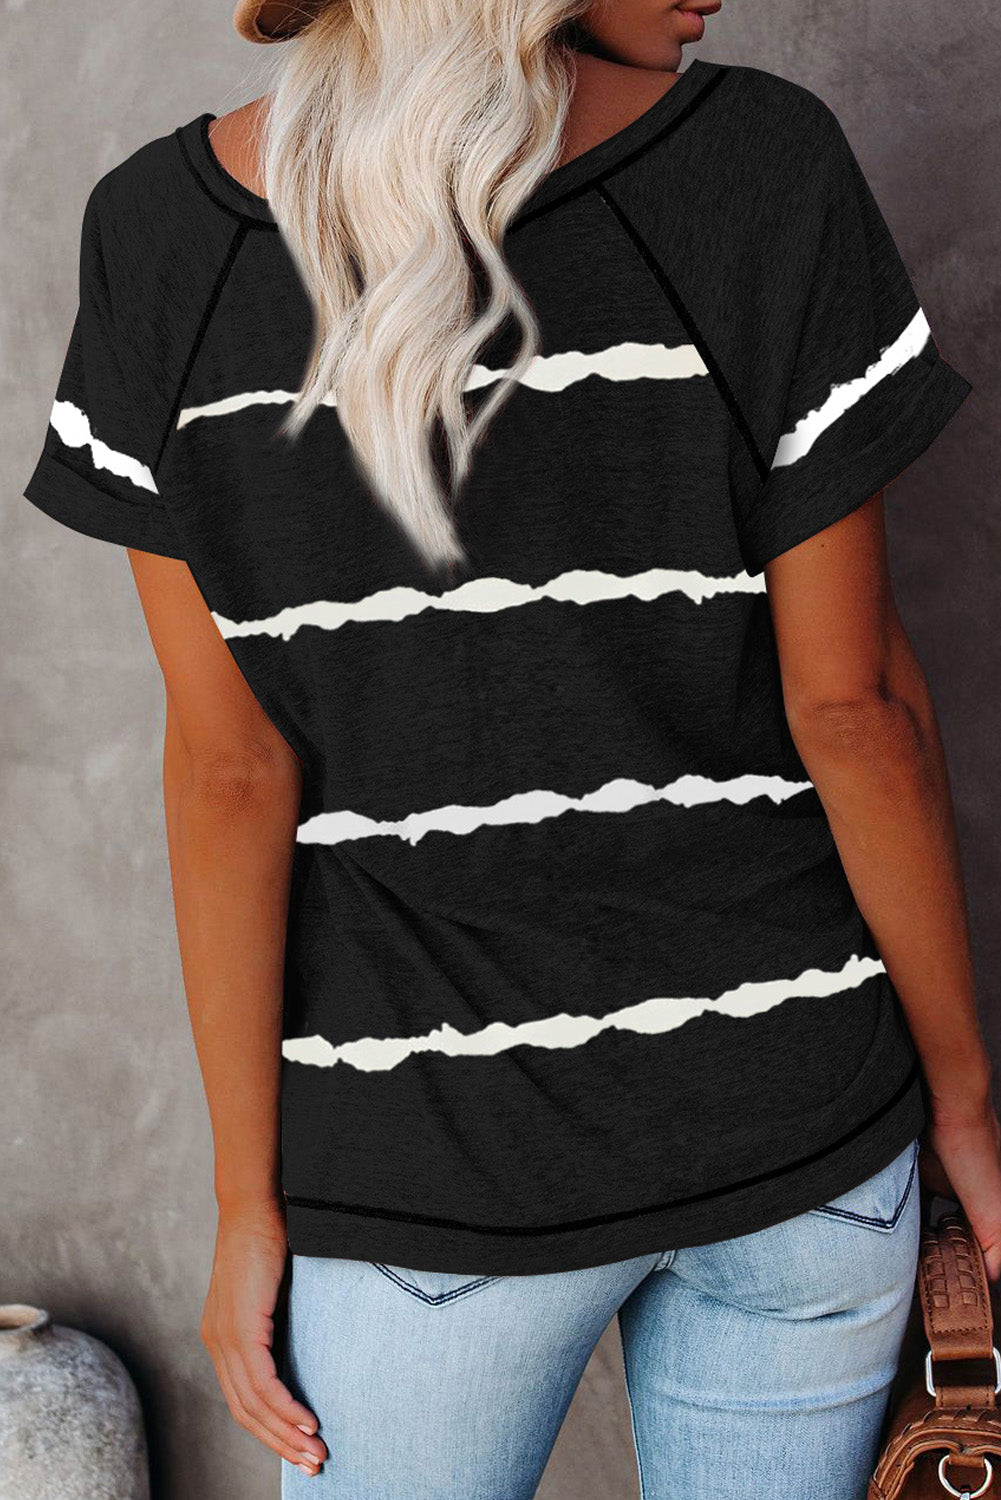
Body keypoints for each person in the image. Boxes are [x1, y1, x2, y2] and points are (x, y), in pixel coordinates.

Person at [22, 0, 1000, 1495]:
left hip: (425, 1170)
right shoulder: (759, 161)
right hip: (795, 1131)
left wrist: (245, 1201)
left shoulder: (164, 231)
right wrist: (962, 1100)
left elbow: (229, 773)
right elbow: (855, 708)